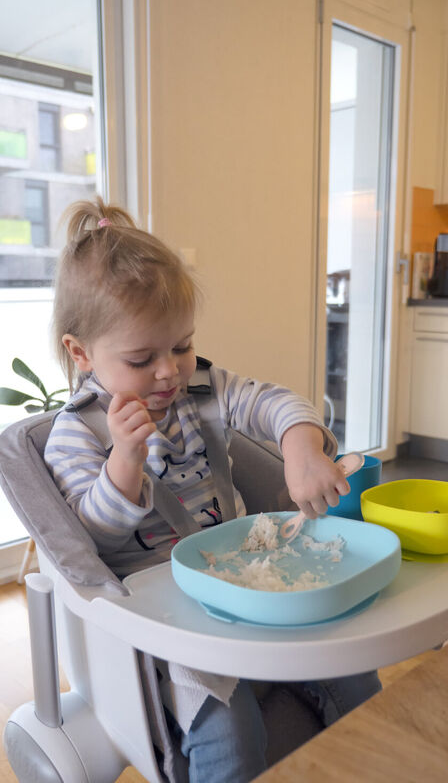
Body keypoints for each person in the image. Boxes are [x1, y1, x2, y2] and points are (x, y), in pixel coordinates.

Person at [45, 197, 381, 783]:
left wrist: (301, 448)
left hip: (251, 575)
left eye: (180, 345)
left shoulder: (201, 390)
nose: (169, 372)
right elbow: (91, 534)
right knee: (228, 732)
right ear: (81, 354)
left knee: (355, 674)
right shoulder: (75, 433)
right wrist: (124, 459)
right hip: (164, 615)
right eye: (141, 358)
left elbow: (272, 401)